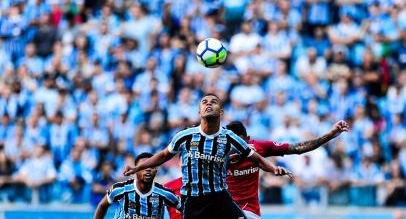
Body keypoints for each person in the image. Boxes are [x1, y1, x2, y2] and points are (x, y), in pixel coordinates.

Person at [123, 93, 291, 219]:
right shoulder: (185, 136)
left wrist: (273, 168)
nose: (208, 104)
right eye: (204, 102)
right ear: (199, 111)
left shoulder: (229, 138)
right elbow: (163, 155)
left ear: (221, 111)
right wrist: (138, 168)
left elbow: (255, 158)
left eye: (213, 102)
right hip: (194, 200)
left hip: (220, 196)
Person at [165, 120, 349, 219]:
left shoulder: (258, 148)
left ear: (248, 139)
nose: (237, 148)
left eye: (241, 142)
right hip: (220, 208)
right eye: (233, 143)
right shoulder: (217, 151)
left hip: (249, 210)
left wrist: (331, 134)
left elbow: (298, 147)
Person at [94, 152, 180, 219]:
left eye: (152, 166)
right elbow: (102, 205)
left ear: (156, 170)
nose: (148, 170)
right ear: (135, 169)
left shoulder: (165, 194)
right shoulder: (120, 189)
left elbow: (186, 208)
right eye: (143, 167)